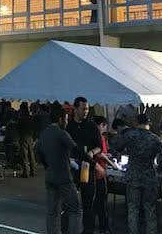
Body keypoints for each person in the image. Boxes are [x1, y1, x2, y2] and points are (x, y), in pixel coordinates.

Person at [114, 113, 162, 234]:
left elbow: (117, 147)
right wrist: (158, 170)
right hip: (149, 176)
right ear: (148, 123)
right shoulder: (155, 139)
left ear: (136, 122)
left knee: (133, 208)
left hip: (133, 176)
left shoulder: (129, 135)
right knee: (150, 209)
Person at [37, 102, 81, 234]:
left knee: (52, 212)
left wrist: (48, 166)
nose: (67, 122)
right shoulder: (62, 133)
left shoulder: (43, 134)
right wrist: (91, 161)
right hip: (64, 176)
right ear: (61, 119)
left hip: (50, 176)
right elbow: (76, 149)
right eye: (66, 119)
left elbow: (40, 155)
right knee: (75, 208)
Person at [66, 96, 102, 234]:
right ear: (76, 109)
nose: (86, 111)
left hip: (87, 167)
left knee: (88, 203)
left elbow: (99, 146)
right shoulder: (69, 126)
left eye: (87, 109)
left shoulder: (91, 126)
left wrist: (92, 152)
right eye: (83, 109)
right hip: (73, 167)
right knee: (70, 202)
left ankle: (88, 230)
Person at [93, 116, 118, 234]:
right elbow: (100, 154)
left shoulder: (91, 136)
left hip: (93, 173)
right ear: (102, 125)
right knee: (101, 202)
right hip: (100, 173)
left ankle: (93, 225)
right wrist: (112, 164)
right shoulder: (100, 137)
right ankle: (104, 227)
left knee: (95, 202)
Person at [18, 102, 36, 178]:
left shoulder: (21, 119)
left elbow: (18, 129)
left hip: (23, 137)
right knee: (31, 154)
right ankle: (33, 170)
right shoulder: (31, 118)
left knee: (24, 155)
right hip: (30, 137)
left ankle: (26, 171)